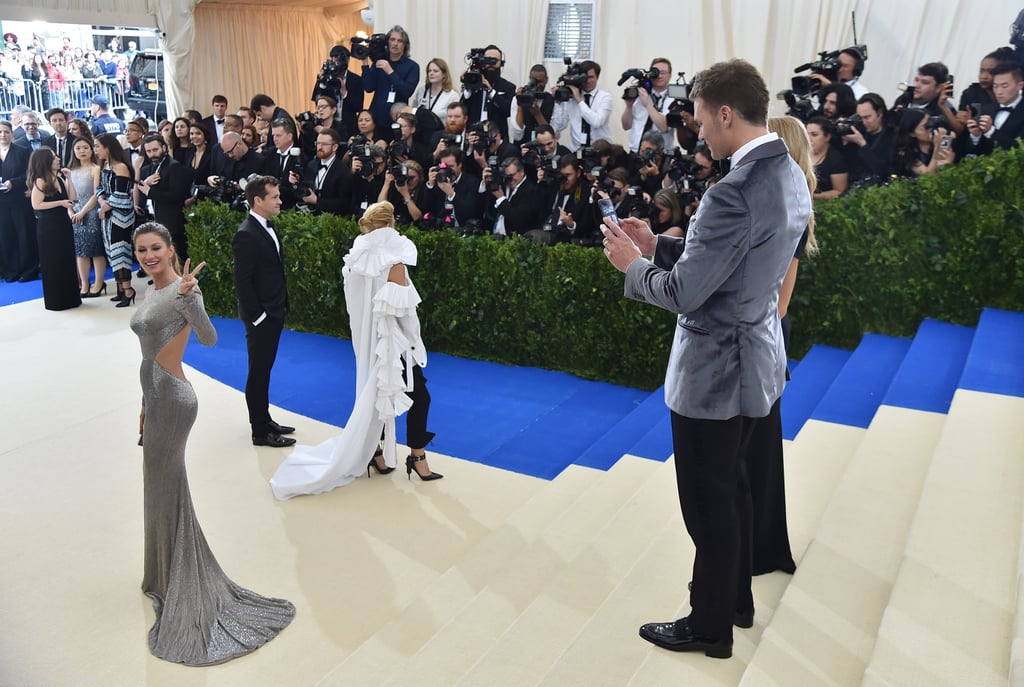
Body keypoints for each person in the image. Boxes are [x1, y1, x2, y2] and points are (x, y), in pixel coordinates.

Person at [601, 58, 810, 659]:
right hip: (758, 359)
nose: (697, 132)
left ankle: (709, 625)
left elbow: (686, 292)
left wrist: (633, 266)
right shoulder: (788, 172)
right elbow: (732, 261)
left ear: (724, 113)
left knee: (707, 504)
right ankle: (735, 602)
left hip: (715, 371)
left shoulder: (733, 190)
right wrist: (661, 242)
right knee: (734, 491)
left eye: (698, 119)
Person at [130, 222, 294, 664]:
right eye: (142, 249)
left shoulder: (185, 291)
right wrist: (144, 403)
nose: (149, 256)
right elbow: (146, 352)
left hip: (176, 398)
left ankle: (178, 577)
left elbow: (208, 338)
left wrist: (190, 299)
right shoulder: (148, 291)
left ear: (170, 250)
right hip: (155, 397)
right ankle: (162, 575)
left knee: (165, 485)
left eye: (156, 249)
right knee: (158, 487)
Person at [270, 201, 440, 499]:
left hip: (367, 343)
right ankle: (417, 456)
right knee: (418, 396)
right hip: (393, 345)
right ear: (390, 224)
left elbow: (355, 308)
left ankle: (376, 452)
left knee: (374, 396)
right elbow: (405, 315)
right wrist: (416, 343)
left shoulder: (356, 259)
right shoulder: (393, 262)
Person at [232, 176, 297, 448]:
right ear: (258, 201)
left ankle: (265, 418)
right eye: (275, 197)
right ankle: (260, 431)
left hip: (274, 309)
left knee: (264, 370)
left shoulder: (267, 227)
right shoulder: (246, 234)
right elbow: (242, 282)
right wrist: (258, 316)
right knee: (258, 372)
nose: (280, 201)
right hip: (262, 317)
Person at [28, 147, 81, 311]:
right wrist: (59, 203)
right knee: (53, 261)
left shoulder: (58, 178)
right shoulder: (41, 180)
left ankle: (71, 297)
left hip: (62, 224)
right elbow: (36, 204)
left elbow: (72, 198)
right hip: (48, 226)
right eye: (53, 157)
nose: (57, 159)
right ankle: (57, 300)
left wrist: (69, 178)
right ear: (46, 161)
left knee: (66, 259)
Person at [138, 134, 194, 264]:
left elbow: (176, 196)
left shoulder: (174, 166)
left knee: (177, 257)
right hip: (156, 218)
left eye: (155, 150)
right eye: (149, 151)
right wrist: (146, 184)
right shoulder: (149, 168)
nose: (152, 154)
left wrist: (150, 191)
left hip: (173, 221)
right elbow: (142, 191)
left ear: (164, 147)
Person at [94, 133, 136, 305]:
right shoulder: (104, 165)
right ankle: (120, 288)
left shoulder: (120, 167)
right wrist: (102, 201)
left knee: (121, 251)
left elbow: (121, 194)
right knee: (111, 251)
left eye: (98, 146)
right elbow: (99, 188)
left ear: (108, 147)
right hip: (108, 216)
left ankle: (128, 289)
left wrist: (104, 205)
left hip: (122, 216)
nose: (95, 150)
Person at [360, 25, 419, 136]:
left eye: (399, 41)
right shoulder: (380, 61)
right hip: (376, 118)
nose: (395, 43)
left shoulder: (412, 66)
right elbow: (368, 87)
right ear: (387, 43)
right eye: (392, 40)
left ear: (405, 45)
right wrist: (365, 64)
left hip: (398, 120)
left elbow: (407, 91)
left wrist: (390, 71)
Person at [68, 137, 107, 297]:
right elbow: (69, 195)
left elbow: (96, 193)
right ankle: (84, 283)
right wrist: (70, 211)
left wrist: (83, 211)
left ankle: (98, 283)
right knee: (80, 251)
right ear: (74, 151)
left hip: (91, 213)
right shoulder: (71, 171)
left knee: (96, 250)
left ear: (92, 150)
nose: (82, 151)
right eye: (78, 148)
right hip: (75, 214)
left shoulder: (96, 169)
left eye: (85, 147)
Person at [0, 121, 38, 282]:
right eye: (0, 132)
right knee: (5, 236)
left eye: (6, 132)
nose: (3, 135)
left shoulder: (22, 151)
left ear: (12, 134)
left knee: (24, 235)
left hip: (19, 201)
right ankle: (10, 271)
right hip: (1, 204)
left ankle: (28, 270)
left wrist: (13, 183)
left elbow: (30, 174)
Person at [550, 60, 613, 151]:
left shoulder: (605, 97)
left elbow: (597, 122)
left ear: (597, 77)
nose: (587, 81)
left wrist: (579, 100)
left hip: (600, 150)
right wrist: (558, 103)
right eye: (584, 77)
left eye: (591, 77)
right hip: (577, 149)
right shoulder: (571, 98)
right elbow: (560, 126)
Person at [621, 57, 675, 152]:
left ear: (670, 75)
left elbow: (664, 127)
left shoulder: (673, 98)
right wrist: (629, 107)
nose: (659, 76)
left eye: (663, 73)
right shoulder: (640, 92)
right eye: (656, 72)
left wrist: (647, 104)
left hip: (660, 155)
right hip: (636, 151)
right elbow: (626, 126)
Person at [805, 117, 848, 199]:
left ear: (827, 137)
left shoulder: (835, 160)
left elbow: (839, 191)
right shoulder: (802, 153)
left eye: (814, 135)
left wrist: (813, 197)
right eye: (806, 134)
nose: (808, 139)